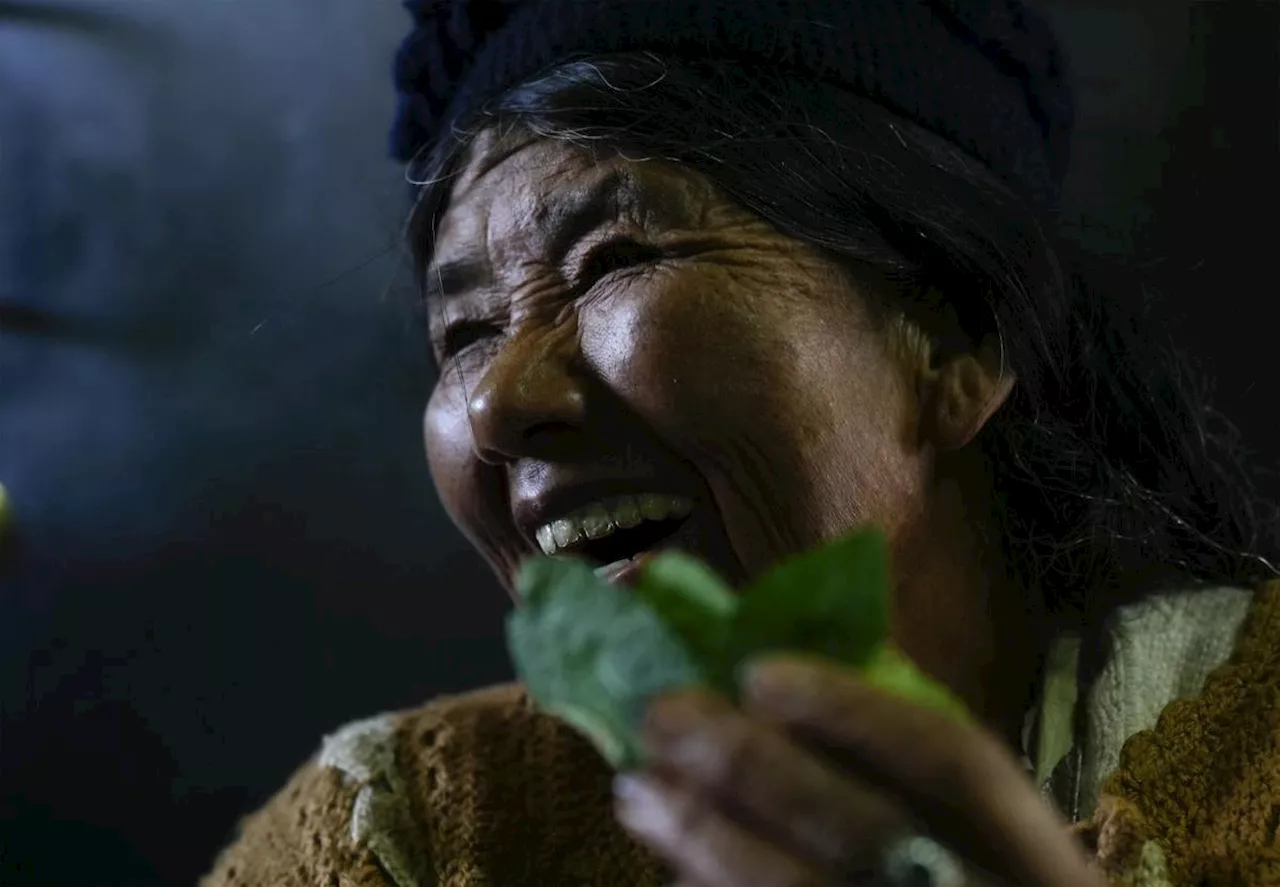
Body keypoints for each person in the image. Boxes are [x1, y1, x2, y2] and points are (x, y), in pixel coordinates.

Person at [202, 2, 1280, 885]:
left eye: (611, 258)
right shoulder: (399, 837)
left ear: (957, 336)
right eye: (467, 332)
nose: (494, 405)